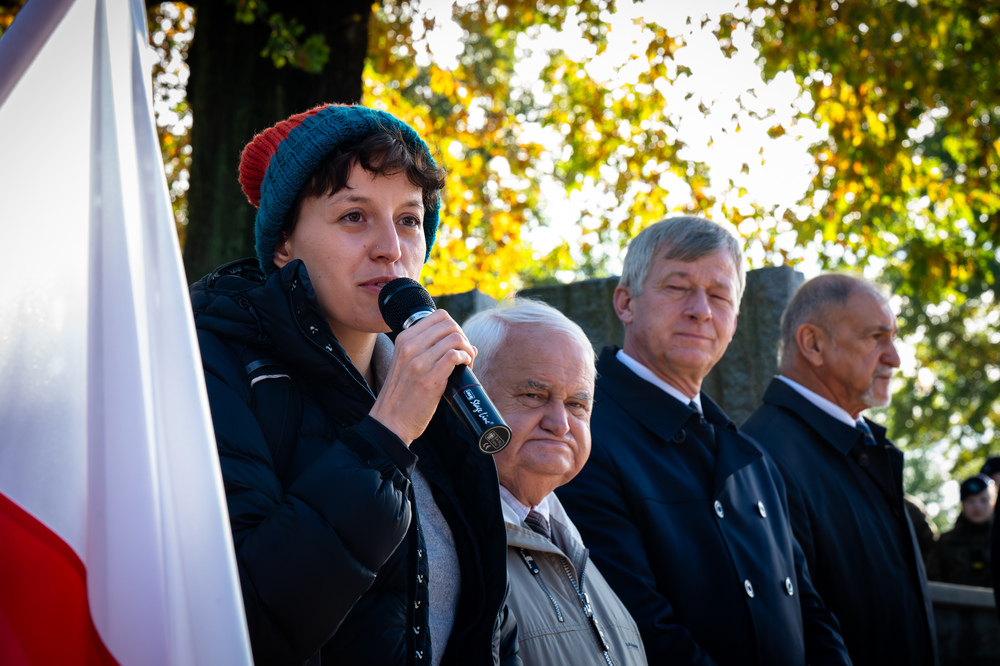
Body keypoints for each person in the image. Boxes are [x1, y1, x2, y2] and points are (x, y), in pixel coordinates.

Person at [190, 104, 518, 665]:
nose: (390, 246)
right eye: (353, 217)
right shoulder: (212, 363)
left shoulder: (438, 392)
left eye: (409, 219)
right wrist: (386, 433)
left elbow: (486, 623)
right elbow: (246, 623)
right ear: (284, 244)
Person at [558, 216, 850, 665]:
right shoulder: (580, 433)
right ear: (625, 302)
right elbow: (640, 629)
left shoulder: (753, 460)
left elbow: (809, 610)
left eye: (720, 294)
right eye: (678, 287)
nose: (701, 309)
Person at [742, 273, 937, 666]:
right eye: (875, 337)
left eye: (893, 337)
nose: (895, 358)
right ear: (812, 343)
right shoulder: (763, 458)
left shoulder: (860, 445)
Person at [463, 298, 647, 666]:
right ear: (468, 401)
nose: (560, 424)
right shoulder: (448, 548)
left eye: (578, 404)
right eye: (534, 396)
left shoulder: (572, 546)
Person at [926, 475, 995, 588]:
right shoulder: (945, 542)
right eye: (971, 501)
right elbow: (932, 584)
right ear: (962, 504)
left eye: (983, 500)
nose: (977, 506)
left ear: (993, 503)